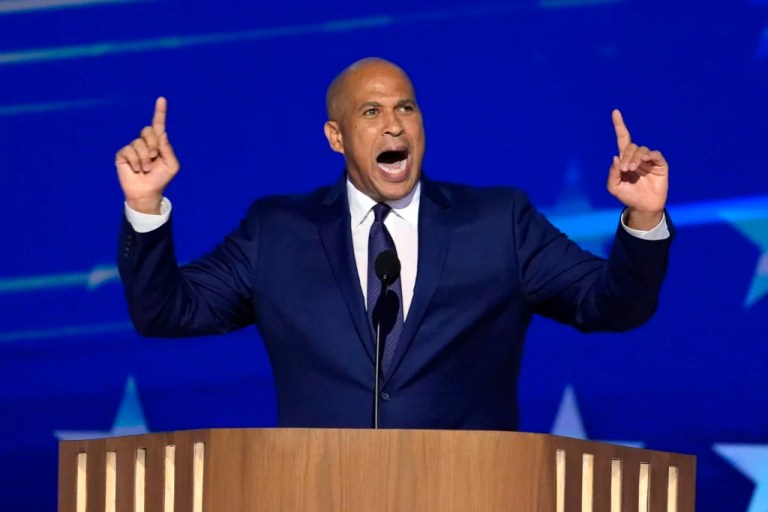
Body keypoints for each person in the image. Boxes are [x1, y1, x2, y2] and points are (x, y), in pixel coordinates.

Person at [116, 58, 672, 430]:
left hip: (473, 494)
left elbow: (612, 306)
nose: (394, 126)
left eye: (406, 107)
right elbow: (167, 312)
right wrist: (144, 207)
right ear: (336, 137)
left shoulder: (498, 221)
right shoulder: (277, 232)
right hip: (319, 495)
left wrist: (644, 219)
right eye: (371, 111)